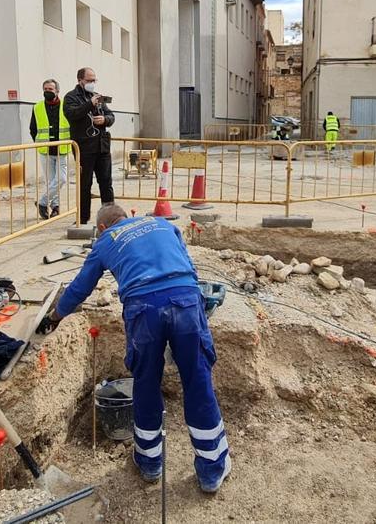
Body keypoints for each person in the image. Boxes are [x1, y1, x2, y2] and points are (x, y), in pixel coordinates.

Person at [36, 204, 231, 493]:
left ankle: (150, 463)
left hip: (144, 310)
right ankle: (212, 470)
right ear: (128, 215)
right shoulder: (163, 224)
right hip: (186, 301)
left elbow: (80, 287)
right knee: (198, 381)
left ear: (102, 227)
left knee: (146, 384)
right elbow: (188, 267)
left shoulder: (106, 241)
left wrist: (55, 317)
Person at [63, 67, 115, 224]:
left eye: (94, 80)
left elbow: (111, 115)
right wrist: (89, 104)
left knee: (106, 183)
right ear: (80, 80)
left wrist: (105, 120)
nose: (92, 83)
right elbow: (72, 114)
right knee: (85, 185)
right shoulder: (71, 97)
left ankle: (110, 218)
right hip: (84, 148)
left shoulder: (97, 96)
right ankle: (83, 218)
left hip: (102, 147)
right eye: (89, 80)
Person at [29, 78, 71, 219]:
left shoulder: (66, 105)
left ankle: (42, 202)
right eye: (45, 89)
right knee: (51, 181)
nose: (47, 92)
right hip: (45, 150)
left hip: (62, 149)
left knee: (61, 179)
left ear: (57, 91)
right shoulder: (37, 107)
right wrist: (39, 142)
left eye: (50, 89)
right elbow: (33, 129)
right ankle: (55, 207)